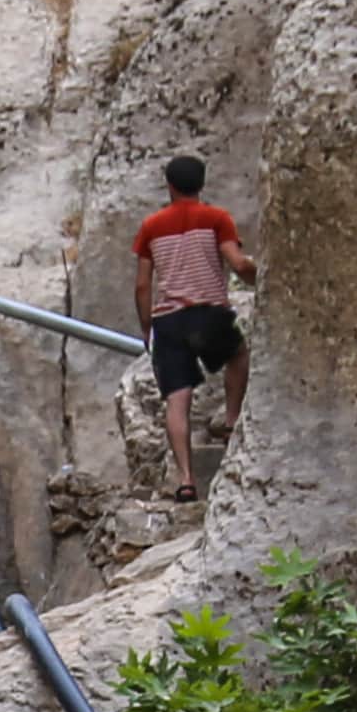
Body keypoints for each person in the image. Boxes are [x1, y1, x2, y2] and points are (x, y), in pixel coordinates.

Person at [127, 154, 252, 497]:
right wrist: (260, 278)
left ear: (168, 185)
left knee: (177, 401)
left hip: (168, 321)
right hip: (208, 312)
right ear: (201, 184)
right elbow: (237, 263)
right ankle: (230, 419)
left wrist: (146, 327)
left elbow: (142, 284)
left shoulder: (151, 226)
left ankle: (185, 479)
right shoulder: (216, 219)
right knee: (238, 356)